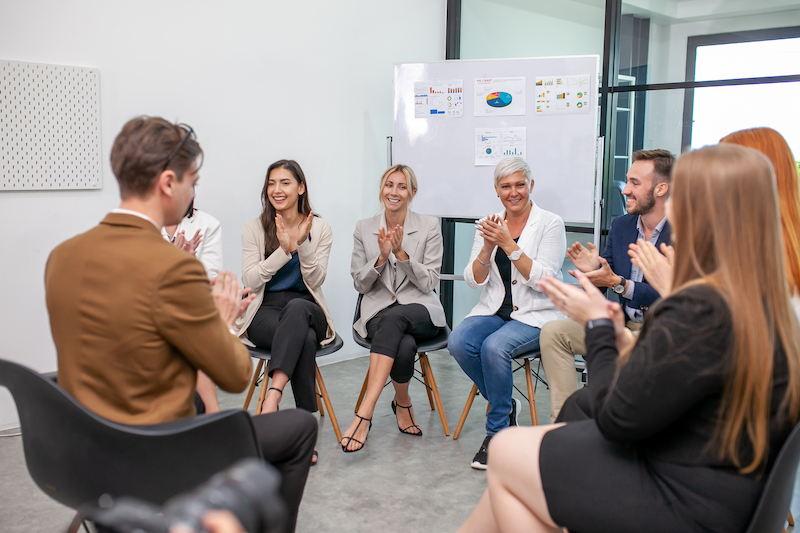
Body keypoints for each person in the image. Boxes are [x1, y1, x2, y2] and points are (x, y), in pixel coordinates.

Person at [458, 144, 800, 533]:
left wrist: (601, 326)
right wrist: (622, 320)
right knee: (517, 485)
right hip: (721, 486)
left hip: (680, 497)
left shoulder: (702, 307)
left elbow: (618, 418)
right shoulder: (762, 301)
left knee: (505, 451)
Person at [45, 117, 317, 533]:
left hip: (82, 455)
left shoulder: (62, 256)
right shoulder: (174, 267)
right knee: (300, 427)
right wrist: (220, 318)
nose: (193, 191)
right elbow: (236, 374)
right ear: (169, 183)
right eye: (193, 181)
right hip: (155, 456)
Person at [448, 156, 566, 470]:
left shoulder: (550, 223)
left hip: (536, 313)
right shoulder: (490, 223)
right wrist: (488, 247)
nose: (513, 192)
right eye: (506, 186)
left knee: (494, 347)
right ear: (497, 191)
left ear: (531, 186)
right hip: (495, 310)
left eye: (519, 185)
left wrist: (509, 246)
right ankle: (505, 406)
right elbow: (474, 281)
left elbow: (546, 282)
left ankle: (497, 433)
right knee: (458, 341)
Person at [539, 149, 673, 423]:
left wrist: (620, 284)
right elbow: (606, 283)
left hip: (661, 332)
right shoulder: (621, 225)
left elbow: (672, 294)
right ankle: (564, 425)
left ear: (661, 188)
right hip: (620, 322)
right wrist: (594, 273)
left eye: (636, 183)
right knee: (554, 332)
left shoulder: (684, 231)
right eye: (628, 181)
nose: (626, 190)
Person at [342, 164, 446, 452]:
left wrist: (400, 254)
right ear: (381, 189)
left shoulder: (429, 226)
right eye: (389, 185)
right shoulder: (364, 227)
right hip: (378, 312)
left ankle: (364, 413)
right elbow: (360, 285)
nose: (394, 192)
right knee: (403, 344)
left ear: (412, 193)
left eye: (402, 187)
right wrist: (380, 258)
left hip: (420, 310)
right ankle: (403, 404)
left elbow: (430, 282)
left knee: (398, 317)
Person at [235, 160, 335, 428]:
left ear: (301, 187)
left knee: (299, 312)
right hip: (264, 310)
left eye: (285, 182)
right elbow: (250, 280)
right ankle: (306, 427)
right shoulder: (254, 228)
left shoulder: (320, 228)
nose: (276, 189)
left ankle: (272, 397)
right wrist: (283, 252)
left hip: (308, 307)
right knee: (305, 338)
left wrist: (302, 244)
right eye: (271, 183)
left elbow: (317, 279)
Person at [163, 200, 225, 413]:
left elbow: (212, 279)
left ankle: (211, 410)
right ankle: (211, 411)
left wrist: (187, 261)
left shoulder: (208, 224)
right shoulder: (142, 227)